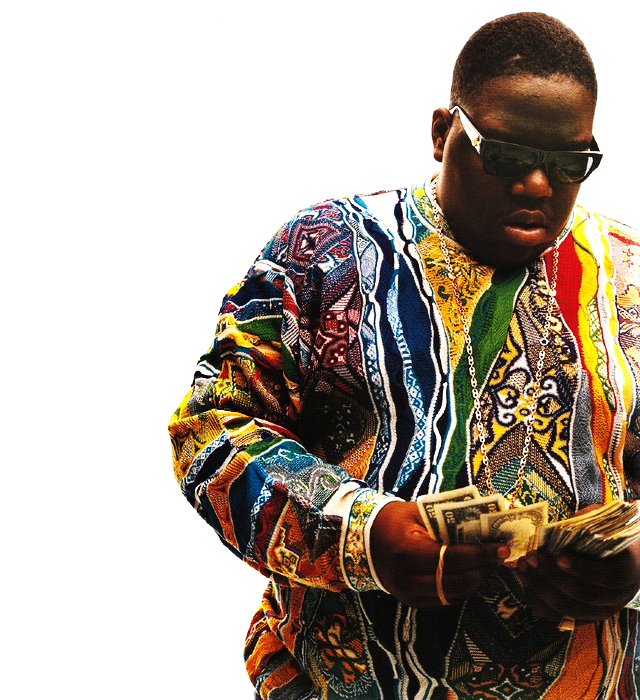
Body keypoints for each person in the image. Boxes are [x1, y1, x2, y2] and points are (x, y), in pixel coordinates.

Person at [169, 12, 640, 699]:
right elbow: (213, 428)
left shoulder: (630, 278)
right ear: (443, 133)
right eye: (507, 156)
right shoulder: (326, 252)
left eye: (570, 164)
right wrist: (365, 533)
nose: (540, 185)